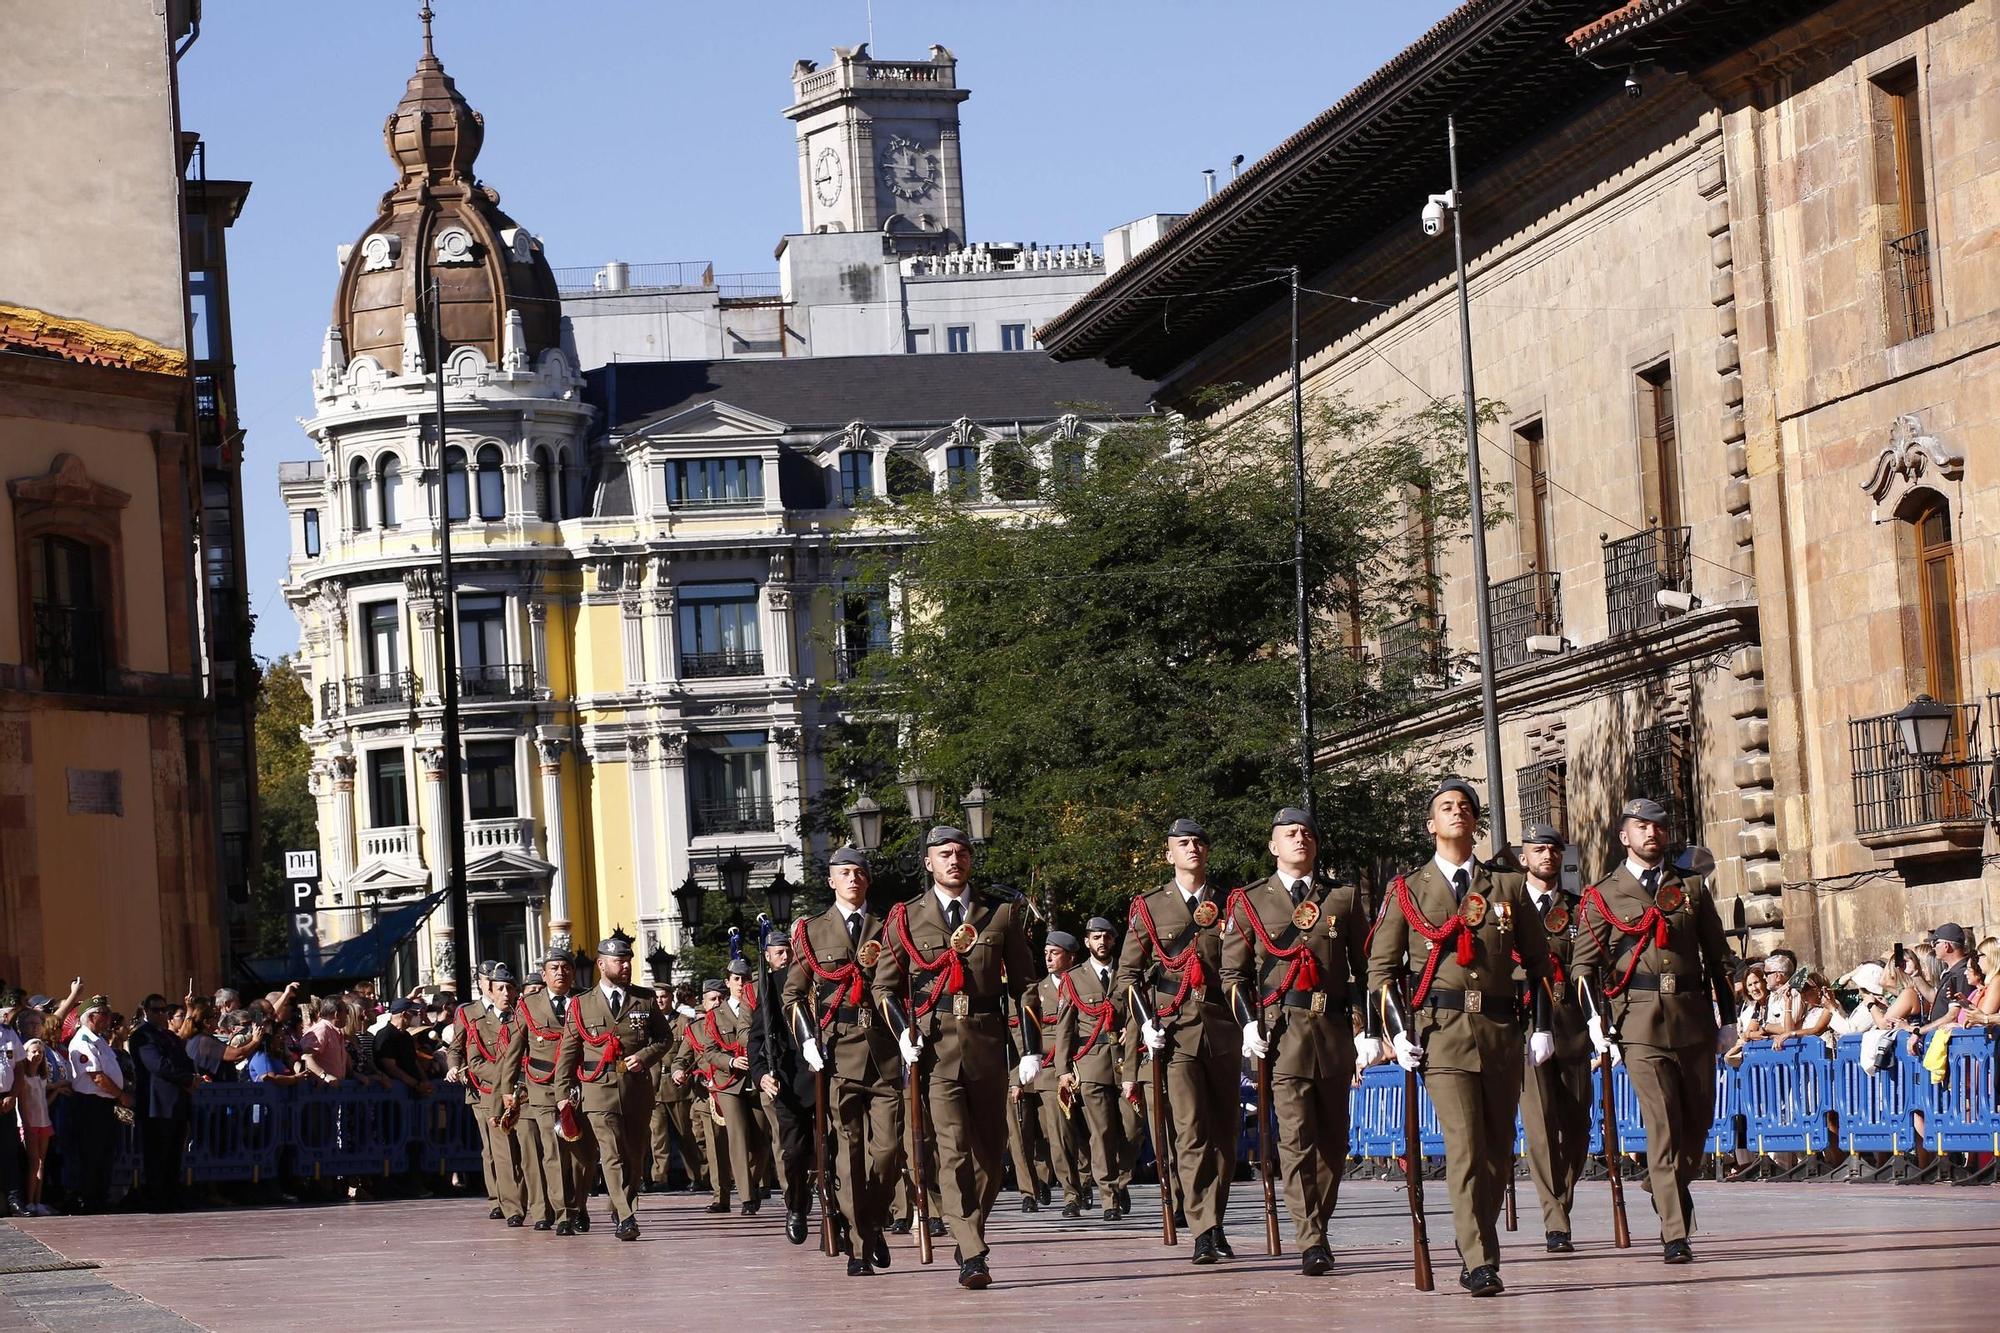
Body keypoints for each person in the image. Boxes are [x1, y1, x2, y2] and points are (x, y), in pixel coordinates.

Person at [1367, 777, 1556, 1297]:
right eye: (1446, 807)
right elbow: (1381, 971)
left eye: (1466, 808)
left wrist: (1541, 1026)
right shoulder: (1407, 890)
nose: (1457, 813)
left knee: (1497, 1153)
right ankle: (1480, 1258)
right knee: (1466, 1147)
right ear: (1431, 825)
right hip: (1442, 1036)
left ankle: (1475, 1239)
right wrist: (1395, 1032)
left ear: (1476, 823)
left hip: (1499, 1033)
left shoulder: (1509, 887)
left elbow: (1540, 964)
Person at [873, 824, 1040, 1290]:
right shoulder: (905, 918)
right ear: (928, 862)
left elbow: (1025, 985)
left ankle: (969, 1233)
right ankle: (971, 1250)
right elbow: (884, 985)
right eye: (944, 853)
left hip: (987, 1046)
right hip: (935, 1051)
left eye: (961, 853)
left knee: (991, 1154)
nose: (954, 860)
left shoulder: (1000, 914)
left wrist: (1031, 1048)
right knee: (953, 1151)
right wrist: (903, 1033)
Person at [1573, 797, 1734, 1267]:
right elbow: (1583, 967)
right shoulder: (1603, 894)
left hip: (1692, 1018)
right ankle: (1674, 1232)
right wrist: (1594, 1021)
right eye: (1641, 826)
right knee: (1662, 1125)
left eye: (1659, 826)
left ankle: (1660, 1183)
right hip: (1638, 1021)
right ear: (1624, 836)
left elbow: (1717, 956)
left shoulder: (1692, 887)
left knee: (1698, 1125)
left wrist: (1727, 1020)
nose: (1652, 833)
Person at [1222, 807, 1373, 1277]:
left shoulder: (1343, 898)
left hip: (1331, 1033)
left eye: (1307, 833)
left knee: (1333, 1141)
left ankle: (1318, 1227)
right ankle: (1310, 1238)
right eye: (1290, 834)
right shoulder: (1250, 902)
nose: (1300, 839)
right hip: (1282, 1032)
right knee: (1297, 1139)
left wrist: (1367, 1028)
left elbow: (1366, 969)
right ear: (1273, 846)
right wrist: (1248, 1023)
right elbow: (1234, 974)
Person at [1115, 817, 1241, 1266]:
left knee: (1225, 1134)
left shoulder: (1232, 903)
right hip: (1176, 1029)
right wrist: (1145, 1020)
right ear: (1169, 854)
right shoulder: (1150, 907)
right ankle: (1203, 1228)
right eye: (1183, 843)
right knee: (1190, 1131)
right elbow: (1127, 976)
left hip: (1223, 1026)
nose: (1192, 848)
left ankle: (1216, 1218)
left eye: (1199, 842)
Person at [786, 846, 902, 1276]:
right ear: (831, 881)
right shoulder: (812, 931)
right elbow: (793, 994)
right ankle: (859, 1243)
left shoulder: (891, 925)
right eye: (843, 872)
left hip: (886, 1051)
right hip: (837, 1053)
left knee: (888, 1152)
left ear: (867, 880)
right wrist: (806, 1040)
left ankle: (871, 1220)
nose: (852, 878)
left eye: (859, 872)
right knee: (848, 1154)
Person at [555, 935, 670, 1241]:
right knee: (611, 1152)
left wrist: (644, 1057)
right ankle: (627, 1216)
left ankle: (621, 1207)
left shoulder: (644, 999)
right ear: (602, 964)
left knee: (635, 1156)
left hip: (636, 1088)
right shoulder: (582, 1004)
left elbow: (664, 1039)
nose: (626, 965)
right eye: (619, 960)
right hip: (598, 1089)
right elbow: (568, 1052)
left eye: (629, 959)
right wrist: (562, 1094)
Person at [1510, 823, 1592, 1254]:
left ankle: (1563, 1198)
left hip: (1570, 1023)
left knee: (1577, 1130)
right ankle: (1555, 1220)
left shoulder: (1579, 910)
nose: (1548, 856)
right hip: (1525, 1025)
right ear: (1524, 858)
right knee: (1541, 1129)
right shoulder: (1506, 908)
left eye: (1554, 850)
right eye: (1538, 850)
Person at [1054, 916, 1138, 1222]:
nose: (1101, 942)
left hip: (1128, 1060)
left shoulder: (1128, 973)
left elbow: (1138, 1009)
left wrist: (1136, 1027)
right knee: (1101, 1133)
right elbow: (1064, 1027)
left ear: (1114, 941)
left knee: (1131, 1129)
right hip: (1091, 1063)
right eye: (1095, 937)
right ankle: (1108, 1198)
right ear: (1087, 942)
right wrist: (1063, 1068)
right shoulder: (1074, 978)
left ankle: (1123, 1180)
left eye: (1106, 937)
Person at [502, 950, 591, 1234]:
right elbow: (514, 1050)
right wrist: (507, 1089)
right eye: (554, 968)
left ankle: (579, 1204)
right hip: (542, 1085)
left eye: (565, 967)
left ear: (573, 973)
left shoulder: (585, 1001)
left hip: (579, 1085)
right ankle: (563, 1214)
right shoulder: (529, 1005)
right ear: (544, 974)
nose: (560, 973)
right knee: (552, 1151)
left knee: (581, 1154)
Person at [751, 931, 816, 1245]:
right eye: (782, 951)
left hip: (827, 1076)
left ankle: (844, 1218)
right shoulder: (773, 986)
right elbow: (757, 1038)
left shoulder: (825, 979)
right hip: (788, 1080)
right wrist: (762, 1073)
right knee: (794, 1153)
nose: (790, 956)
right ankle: (797, 1206)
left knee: (835, 1152)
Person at [451, 964, 526, 1227]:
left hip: (524, 1092)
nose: (506, 993)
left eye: (510, 988)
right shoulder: (477, 1020)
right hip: (491, 1094)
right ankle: (509, 1205)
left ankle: (533, 1202)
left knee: (527, 1151)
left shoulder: (523, 1018)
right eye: (500, 988)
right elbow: (475, 1061)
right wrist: (507, 1077)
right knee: (500, 1152)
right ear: (490, 991)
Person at [1026, 932, 1085, 1218]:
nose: (1048, 957)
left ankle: (1091, 1180)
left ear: (1071, 957)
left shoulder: (1085, 982)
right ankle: (1071, 1194)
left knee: (1096, 1134)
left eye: (1055, 952)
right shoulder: (1039, 991)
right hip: (1051, 1070)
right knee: (1058, 1135)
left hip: (1088, 1062)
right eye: (1046, 952)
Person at [128, 992, 197, 1212]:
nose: (161, 1014)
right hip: (156, 1104)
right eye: (156, 1010)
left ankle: (172, 1194)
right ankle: (157, 1198)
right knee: (157, 1153)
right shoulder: (142, 1036)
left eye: (164, 1010)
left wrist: (192, 1077)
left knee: (174, 1152)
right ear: (146, 1012)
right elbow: (157, 1065)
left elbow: (185, 1060)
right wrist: (186, 1079)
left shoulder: (169, 1036)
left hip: (176, 1101)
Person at [674, 980, 735, 1214]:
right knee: (714, 1146)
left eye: (721, 998)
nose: (717, 1003)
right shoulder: (695, 1029)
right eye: (712, 999)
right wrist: (679, 1070)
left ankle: (753, 1186)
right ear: (703, 1002)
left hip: (735, 1090)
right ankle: (722, 1196)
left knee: (751, 1144)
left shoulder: (737, 1022)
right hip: (706, 1095)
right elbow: (682, 1058)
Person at [65, 995, 129, 1213]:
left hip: (104, 1104)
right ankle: (91, 1200)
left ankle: (101, 1196)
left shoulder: (99, 1039)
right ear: (91, 1017)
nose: (109, 1017)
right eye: (105, 1014)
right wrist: (121, 1094)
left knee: (105, 1152)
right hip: (91, 1104)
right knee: (92, 1153)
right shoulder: (82, 1042)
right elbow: (97, 1077)